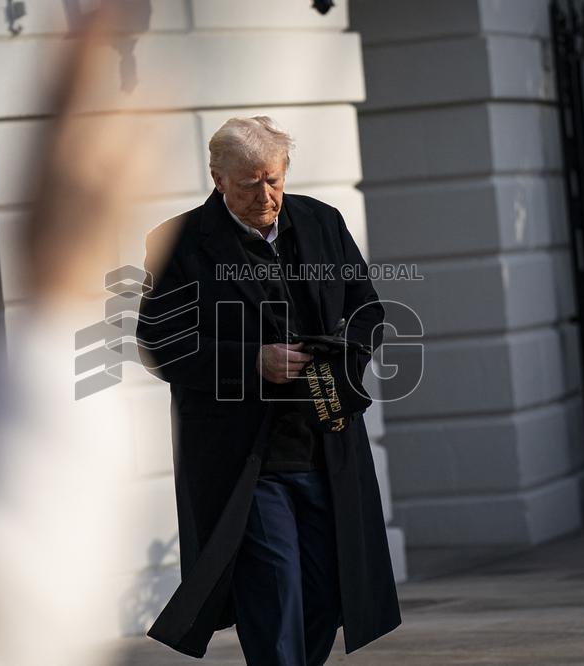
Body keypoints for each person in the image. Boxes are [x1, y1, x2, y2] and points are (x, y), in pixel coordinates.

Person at [136, 116, 401, 664]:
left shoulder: (322, 222)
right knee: (275, 593)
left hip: (325, 438)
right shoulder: (178, 241)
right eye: (250, 182)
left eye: (274, 179)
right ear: (218, 178)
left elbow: (368, 310)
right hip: (243, 458)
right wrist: (253, 362)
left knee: (329, 591)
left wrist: (340, 352)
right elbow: (159, 343)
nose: (267, 195)